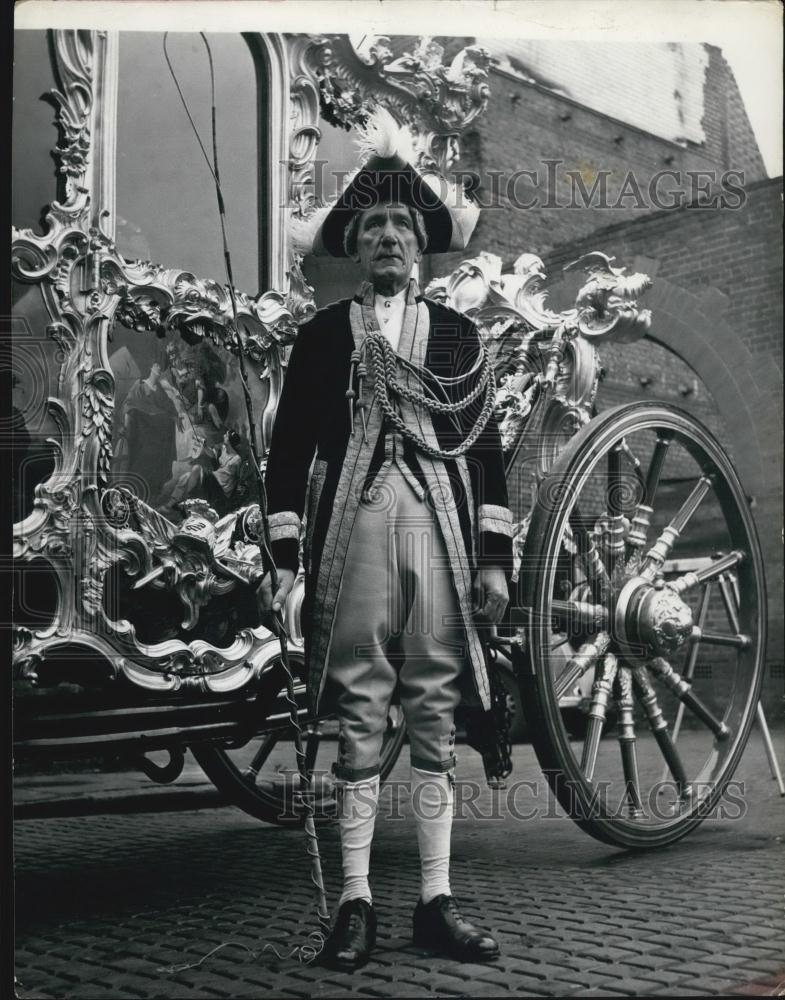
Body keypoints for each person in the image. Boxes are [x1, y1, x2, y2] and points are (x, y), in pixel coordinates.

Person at [257, 109, 513, 971]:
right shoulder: (323, 338)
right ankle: (357, 906)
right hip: (355, 532)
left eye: (402, 224)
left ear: (422, 246)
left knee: (433, 708)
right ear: (357, 249)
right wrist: (287, 567)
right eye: (373, 227)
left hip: (438, 526)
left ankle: (437, 901)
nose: (389, 238)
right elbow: (287, 454)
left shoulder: (458, 336)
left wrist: (494, 561)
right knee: (360, 711)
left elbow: (484, 452)